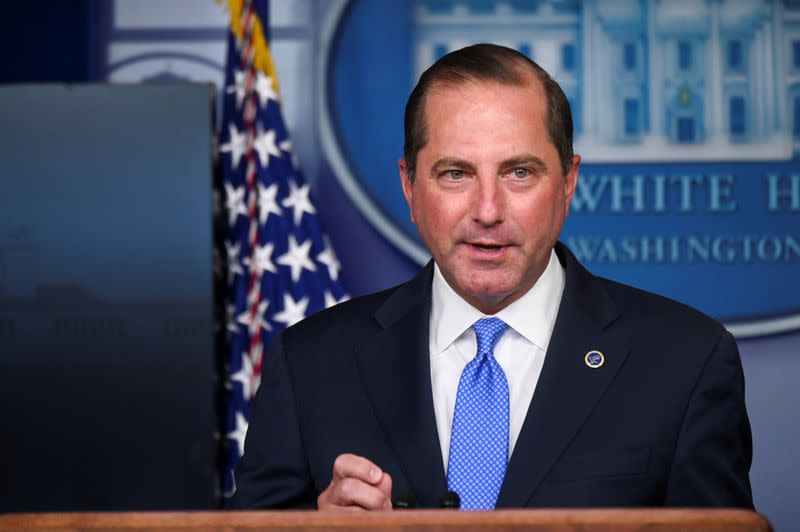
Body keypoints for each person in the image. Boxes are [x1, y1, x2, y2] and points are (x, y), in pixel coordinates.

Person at [230, 44, 753, 511]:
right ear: (410, 187)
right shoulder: (310, 363)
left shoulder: (688, 362)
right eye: (455, 173)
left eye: (519, 172)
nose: (487, 210)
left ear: (568, 183)